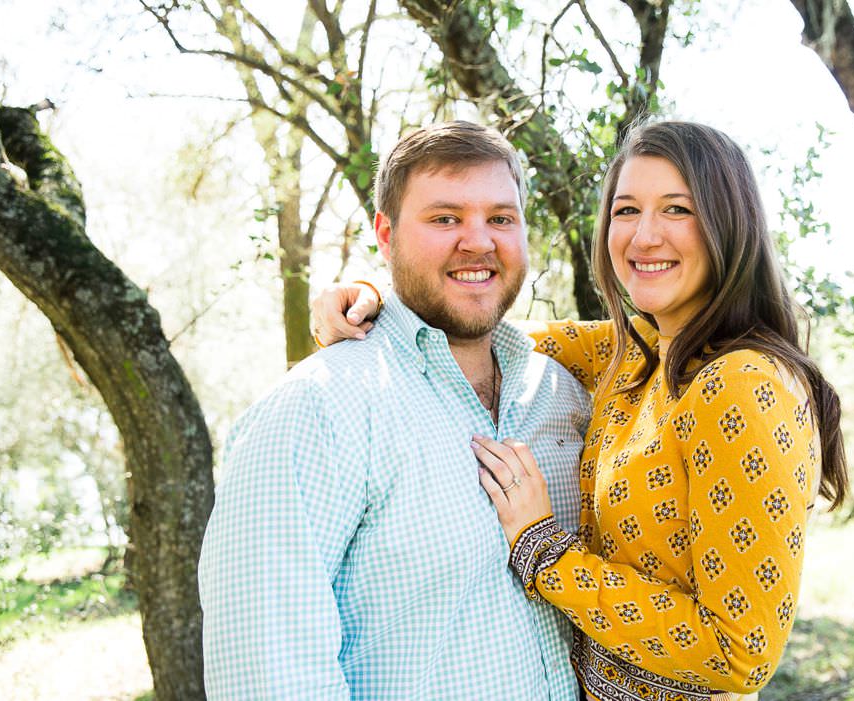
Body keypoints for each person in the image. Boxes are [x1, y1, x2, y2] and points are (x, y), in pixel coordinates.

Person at [311, 120, 848, 700]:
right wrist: (372, 299)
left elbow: (738, 652)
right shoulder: (634, 355)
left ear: (729, 224)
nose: (644, 236)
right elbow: (481, 325)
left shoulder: (742, 382)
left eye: (677, 210)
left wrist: (543, 550)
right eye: (625, 210)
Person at [199, 121, 590, 699]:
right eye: (445, 218)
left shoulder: (565, 396)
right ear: (385, 234)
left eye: (501, 219)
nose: (479, 242)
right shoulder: (314, 412)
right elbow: (269, 675)